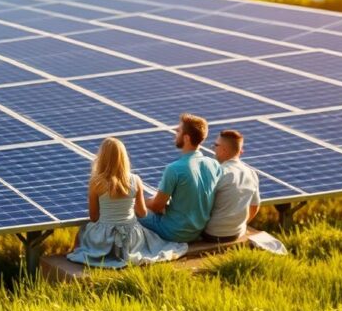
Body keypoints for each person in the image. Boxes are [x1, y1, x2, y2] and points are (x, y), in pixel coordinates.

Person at [67, 137, 187, 268]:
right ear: (124, 158)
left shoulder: (96, 183)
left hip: (104, 238)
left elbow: (94, 217)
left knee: (83, 231)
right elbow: (142, 213)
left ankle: (89, 253)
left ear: (101, 158)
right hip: (132, 238)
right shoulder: (135, 180)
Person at [139, 113, 222, 243]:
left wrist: (138, 203)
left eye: (178, 131)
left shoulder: (175, 169)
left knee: (132, 211)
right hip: (196, 231)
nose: (175, 133)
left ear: (186, 138)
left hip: (173, 231)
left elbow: (156, 206)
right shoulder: (214, 164)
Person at [202, 129, 260, 242]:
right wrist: (241, 225)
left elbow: (200, 206)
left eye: (215, 145)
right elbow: (255, 206)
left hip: (212, 234)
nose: (213, 148)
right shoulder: (251, 173)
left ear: (223, 150)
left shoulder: (218, 172)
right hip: (237, 232)